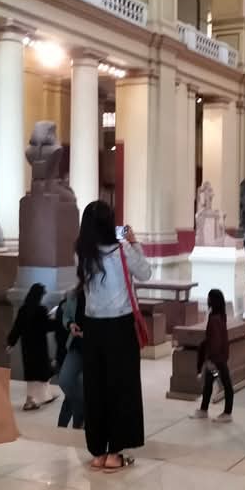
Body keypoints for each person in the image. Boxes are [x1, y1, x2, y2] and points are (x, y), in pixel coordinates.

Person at [76, 200, 151, 472]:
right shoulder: (123, 251)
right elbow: (145, 273)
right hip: (120, 327)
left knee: (95, 389)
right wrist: (134, 242)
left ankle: (98, 451)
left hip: (93, 328)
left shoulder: (82, 254)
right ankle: (115, 453)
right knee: (121, 389)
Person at [7, 283, 58, 410]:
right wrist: (56, 319)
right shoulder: (41, 310)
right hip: (39, 347)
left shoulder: (23, 310)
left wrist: (11, 343)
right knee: (44, 372)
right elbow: (47, 326)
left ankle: (35, 399)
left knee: (32, 374)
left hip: (27, 347)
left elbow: (17, 327)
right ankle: (33, 401)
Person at [191, 289, 233, 422]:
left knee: (226, 383)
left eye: (209, 298)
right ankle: (203, 410)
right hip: (218, 356)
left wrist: (210, 359)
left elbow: (215, 340)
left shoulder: (215, 319)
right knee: (209, 383)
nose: (207, 300)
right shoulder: (220, 315)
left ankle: (227, 413)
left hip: (217, 358)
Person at [56, 286, 86, 429]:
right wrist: (70, 324)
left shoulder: (101, 293)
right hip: (76, 344)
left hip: (95, 346)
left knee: (81, 383)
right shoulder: (74, 294)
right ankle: (81, 415)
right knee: (65, 380)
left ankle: (78, 421)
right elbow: (66, 316)